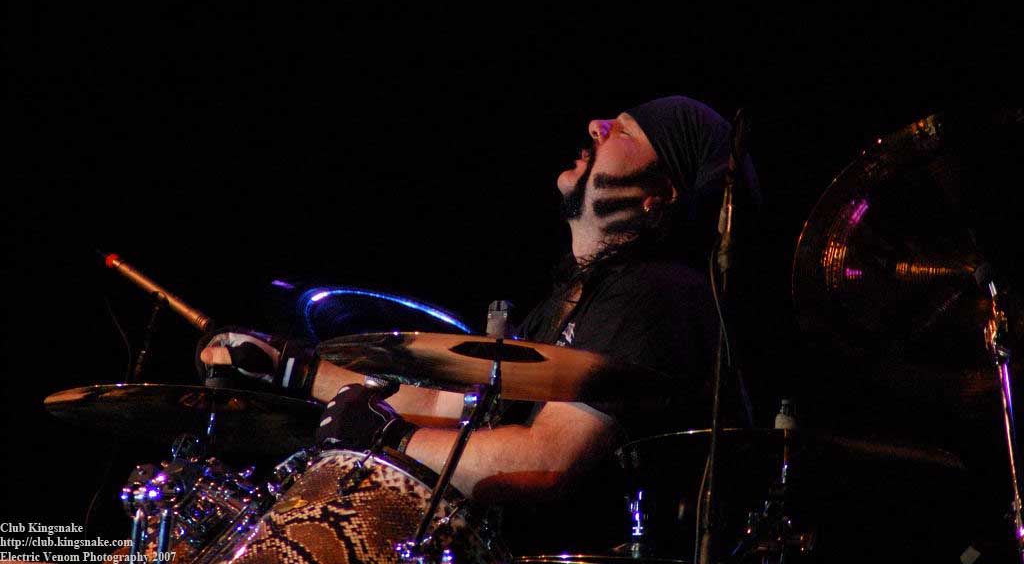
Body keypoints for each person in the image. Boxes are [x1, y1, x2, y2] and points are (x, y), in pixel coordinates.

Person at [199, 95, 754, 555]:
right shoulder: (569, 301)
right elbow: (450, 405)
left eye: (625, 130)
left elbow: (545, 461)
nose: (596, 125)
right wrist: (292, 369)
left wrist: (390, 438)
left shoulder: (658, 292)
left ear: (661, 195)